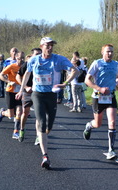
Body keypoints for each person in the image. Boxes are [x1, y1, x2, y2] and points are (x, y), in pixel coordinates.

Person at [15, 37, 78, 169]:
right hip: (37, 94)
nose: (49, 48)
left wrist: (65, 83)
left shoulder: (58, 59)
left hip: (51, 95)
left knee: (49, 125)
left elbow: (75, 70)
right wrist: (21, 90)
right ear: (41, 46)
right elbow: (27, 74)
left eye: (51, 45)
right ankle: (45, 156)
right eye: (47, 45)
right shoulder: (34, 60)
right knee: (42, 122)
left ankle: (41, 134)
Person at [83, 44, 118, 160]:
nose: (110, 54)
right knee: (98, 124)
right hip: (98, 97)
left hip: (110, 96)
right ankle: (89, 126)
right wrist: (99, 88)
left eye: (111, 51)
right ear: (102, 52)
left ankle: (111, 150)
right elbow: (87, 80)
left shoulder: (116, 64)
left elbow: (116, 78)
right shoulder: (97, 63)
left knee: (112, 122)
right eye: (107, 51)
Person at [16, 48, 42, 142]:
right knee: (25, 113)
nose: (38, 55)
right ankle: (22, 129)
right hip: (28, 92)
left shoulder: (44, 64)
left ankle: (38, 136)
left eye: (40, 54)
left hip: (38, 92)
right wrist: (25, 87)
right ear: (32, 55)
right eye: (36, 54)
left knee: (39, 115)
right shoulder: (27, 64)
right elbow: (18, 76)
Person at [0, 52, 24, 139]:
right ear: (16, 58)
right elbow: (0, 75)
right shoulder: (11, 66)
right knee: (11, 115)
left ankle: (15, 131)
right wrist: (9, 81)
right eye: (19, 58)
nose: (21, 60)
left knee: (19, 112)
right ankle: (3, 112)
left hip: (19, 91)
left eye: (22, 58)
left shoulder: (25, 67)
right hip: (10, 91)